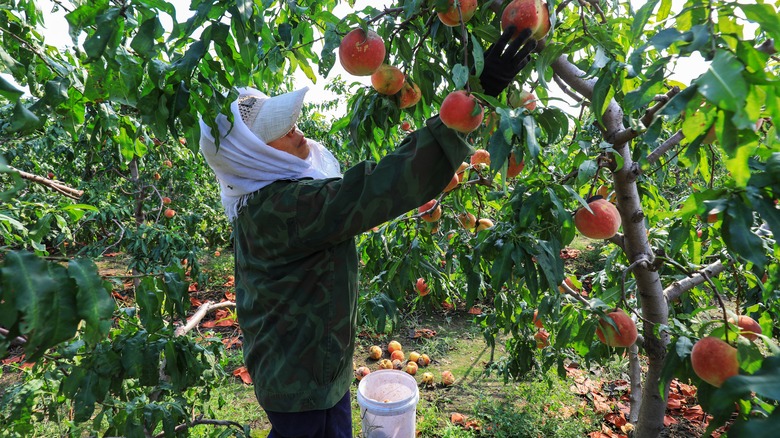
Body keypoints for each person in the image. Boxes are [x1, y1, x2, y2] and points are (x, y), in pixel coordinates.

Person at [199, 26, 537, 438]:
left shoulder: (265, 200)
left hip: (310, 368)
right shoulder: (282, 208)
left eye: (288, 123)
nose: (296, 131)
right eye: (279, 134)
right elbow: (376, 188)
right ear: (251, 156)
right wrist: (464, 110)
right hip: (301, 379)